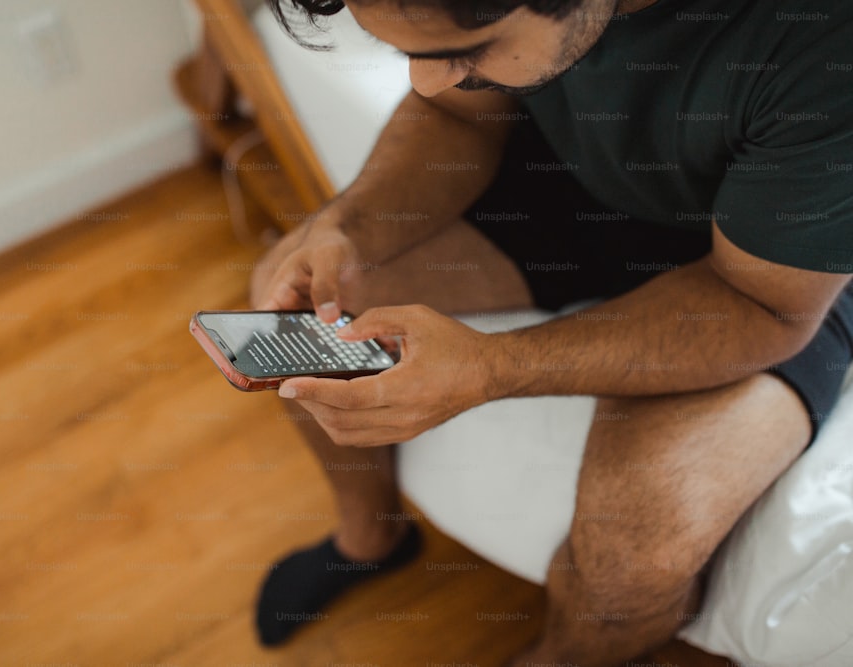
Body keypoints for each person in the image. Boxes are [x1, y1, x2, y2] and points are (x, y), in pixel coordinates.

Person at [246, 0, 853, 663]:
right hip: (580, 182)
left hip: (776, 262)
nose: (424, 81)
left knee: (634, 549)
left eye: (467, 51)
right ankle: (370, 538)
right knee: (291, 326)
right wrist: (348, 225)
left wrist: (489, 367)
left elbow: (762, 306)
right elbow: (455, 112)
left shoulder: (825, 45)